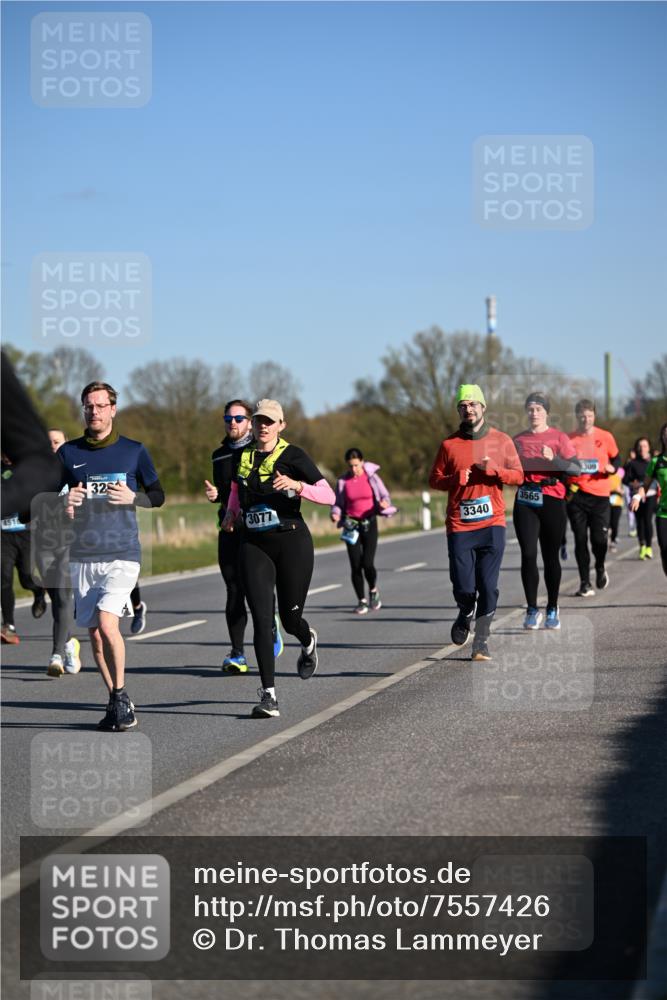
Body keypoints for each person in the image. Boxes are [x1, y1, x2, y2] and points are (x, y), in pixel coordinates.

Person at [58, 381, 165, 731]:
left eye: (101, 405)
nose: (94, 411)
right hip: (83, 556)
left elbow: (158, 495)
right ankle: (115, 698)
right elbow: (45, 500)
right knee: (93, 635)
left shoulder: (134, 451)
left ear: (113, 409)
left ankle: (120, 696)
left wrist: (134, 498)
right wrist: (65, 502)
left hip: (122, 553)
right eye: (89, 406)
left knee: (107, 623)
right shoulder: (68, 454)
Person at [222, 399, 335, 717]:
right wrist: (231, 512)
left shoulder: (294, 455)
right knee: (260, 617)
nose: (263, 426)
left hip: (291, 543)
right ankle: (268, 695)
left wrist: (299, 486)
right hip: (253, 544)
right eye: (259, 420)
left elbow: (329, 495)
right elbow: (234, 489)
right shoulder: (240, 455)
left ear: (281, 425)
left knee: (289, 619)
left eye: (270, 421)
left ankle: (306, 637)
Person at [428, 384, 523, 660]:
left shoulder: (502, 440)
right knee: (464, 587)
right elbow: (434, 479)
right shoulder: (449, 445)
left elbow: (519, 476)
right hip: (460, 525)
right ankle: (465, 610)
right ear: (458, 410)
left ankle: (480, 641)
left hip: (492, 523)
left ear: (483, 407)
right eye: (463, 405)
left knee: (488, 585)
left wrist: (495, 471)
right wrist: (452, 479)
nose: (468, 409)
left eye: (472, 404)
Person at [204, 399, 283, 673]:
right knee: (234, 590)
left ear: (250, 421)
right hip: (229, 530)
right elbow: (227, 495)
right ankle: (237, 653)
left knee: (257, 589)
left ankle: (269, 626)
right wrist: (217, 497)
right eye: (228, 419)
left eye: (238, 418)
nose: (233, 424)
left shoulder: (261, 449)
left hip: (259, 530)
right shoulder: (219, 455)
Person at [512, 393, 581, 630]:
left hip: (552, 499)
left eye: (539, 409)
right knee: (528, 554)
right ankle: (532, 609)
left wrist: (556, 460)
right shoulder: (518, 440)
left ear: (546, 413)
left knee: (550, 557)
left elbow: (576, 470)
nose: (534, 413)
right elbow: (508, 468)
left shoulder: (559, 438)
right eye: (530, 409)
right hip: (525, 499)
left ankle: (552, 606)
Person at [36, 429, 81, 675]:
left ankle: (56, 656)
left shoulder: (75, 471)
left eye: (57, 442)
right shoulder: (37, 474)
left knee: (63, 598)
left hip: (69, 541)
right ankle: (69, 643)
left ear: (65, 445)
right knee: (57, 603)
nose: (52, 446)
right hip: (43, 543)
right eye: (49, 442)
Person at [330, 448, 396, 614]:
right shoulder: (343, 481)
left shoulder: (371, 477)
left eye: (357, 465)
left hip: (369, 523)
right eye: (350, 466)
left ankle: (373, 590)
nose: (354, 469)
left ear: (362, 462)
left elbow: (385, 496)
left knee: (367, 563)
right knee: (355, 565)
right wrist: (335, 514)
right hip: (351, 525)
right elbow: (337, 503)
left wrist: (384, 503)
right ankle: (361, 600)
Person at [566, 399, 620, 596]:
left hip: (600, 496)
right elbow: (562, 465)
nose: (585, 419)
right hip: (577, 495)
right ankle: (584, 582)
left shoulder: (605, 436)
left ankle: (599, 566)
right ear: (577, 416)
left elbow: (617, 459)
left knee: (599, 540)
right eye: (582, 415)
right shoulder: (569, 439)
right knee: (580, 540)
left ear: (594, 416)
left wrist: (612, 468)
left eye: (589, 415)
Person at [1, 455, 47, 644]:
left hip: (26, 532)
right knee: (3, 579)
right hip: (3, 535)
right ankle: (9, 626)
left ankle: (38, 592)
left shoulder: (28, 468)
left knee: (27, 578)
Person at [631, 422, 667, 577]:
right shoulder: (656, 462)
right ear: (662, 438)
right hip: (663, 514)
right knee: (665, 551)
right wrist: (638, 496)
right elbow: (645, 485)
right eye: (666, 434)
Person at [625, 438, 656, 559]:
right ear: (637, 448)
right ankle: (642, 545)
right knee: (640, 521)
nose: (642, 448)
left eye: (644, 446)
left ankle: (649, 547)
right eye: (640, 446)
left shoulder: (653, 462)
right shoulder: (632, 463)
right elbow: (625, 478)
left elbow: (657, 478)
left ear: (649, 447)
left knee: (648, 519)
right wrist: (632, 484)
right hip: (636, 496)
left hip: (650, 494)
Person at [607, 467, 625, 553]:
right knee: (607, 523)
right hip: (606, 502)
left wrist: (620, 491)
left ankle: (613, 542)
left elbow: (623, 489)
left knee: (614, 523)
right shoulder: (605, 474)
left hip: (617, 502)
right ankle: (608, 538)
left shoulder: (620, 473)